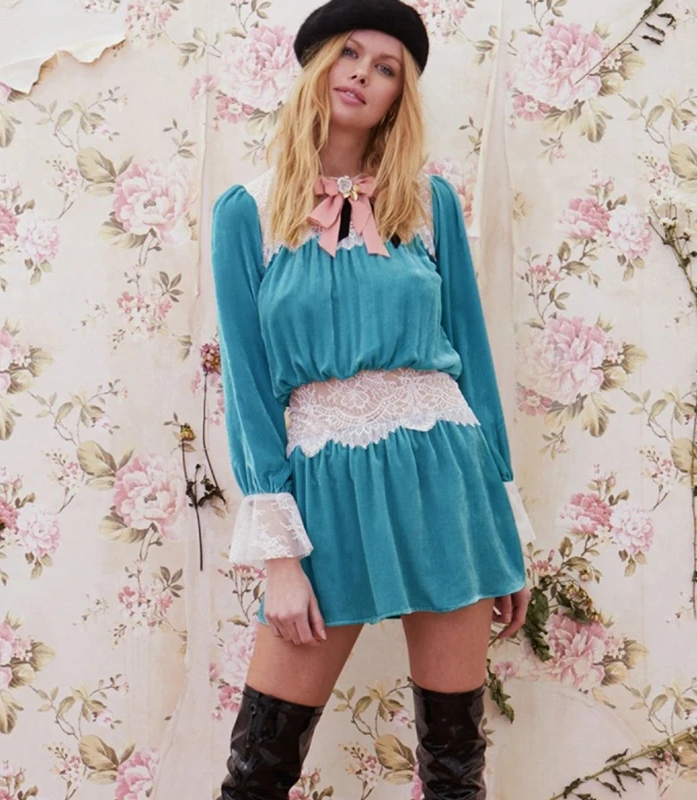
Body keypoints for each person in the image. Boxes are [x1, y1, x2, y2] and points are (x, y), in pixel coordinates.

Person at [210, 1, 537, 797]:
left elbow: (474, 366)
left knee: (455, 771)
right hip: (325, 493)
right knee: (257, 773)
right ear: (319, 66)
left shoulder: (431, 203)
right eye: (350, 53)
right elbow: (248, 390)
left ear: (399, 96)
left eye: (386, 67)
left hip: (448, 483)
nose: (362, 73)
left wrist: (507, 527)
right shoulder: (247, 211)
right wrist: (281, 560)